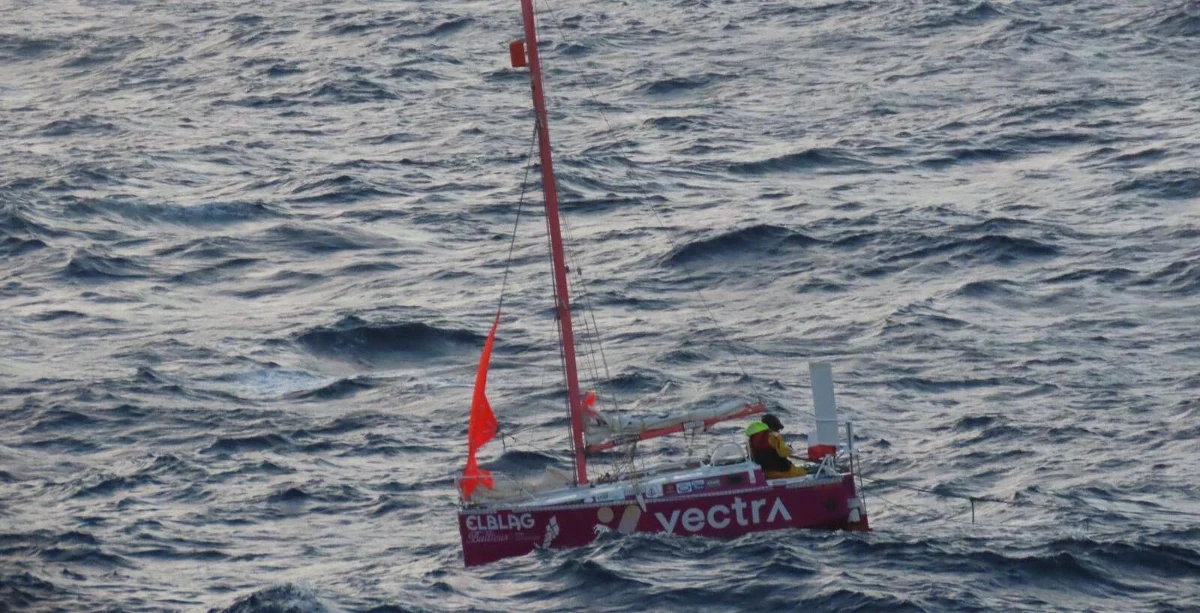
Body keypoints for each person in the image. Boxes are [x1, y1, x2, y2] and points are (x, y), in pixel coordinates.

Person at [745, 413, 807, 479]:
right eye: (778, 429)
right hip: (782, 473)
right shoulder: (775, 436)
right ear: (774, 426)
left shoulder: (751, 440)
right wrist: (789, 449)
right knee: (804, 471)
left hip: (763, 473)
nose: (779, 431)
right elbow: (784, 453)